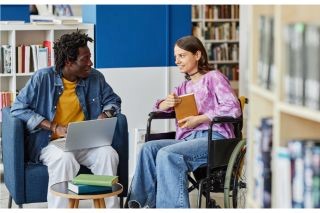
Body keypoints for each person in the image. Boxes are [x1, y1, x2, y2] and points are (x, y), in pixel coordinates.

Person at [10, 30, 121, 208]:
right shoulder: (42, 78)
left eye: (90, 57)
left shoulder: (95, 77)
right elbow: (17, 108)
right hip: (51, 144)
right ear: (69, 62)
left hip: (86, 142)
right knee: (65, 158)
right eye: (84, 59)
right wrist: (54, 127)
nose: (90, 63)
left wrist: (105, 114)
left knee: (109, 154)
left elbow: (113, 101)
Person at [127, 35, 241, 208]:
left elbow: (233, 107)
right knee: (148, 149)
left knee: (168, 154)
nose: (177, 61)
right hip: (187, 140)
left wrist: (200, 119)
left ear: (197, 55)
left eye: (182, 56)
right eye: (176, 57)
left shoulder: (214, 77)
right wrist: (167, 103)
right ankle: (139, 203)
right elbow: (158, 107)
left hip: (214, 138)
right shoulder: (183, 88)